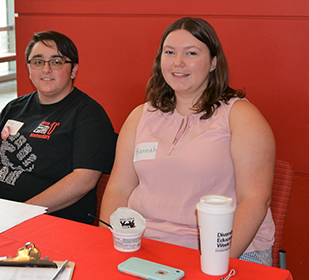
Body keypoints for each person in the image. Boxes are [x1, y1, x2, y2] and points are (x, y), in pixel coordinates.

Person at [99, 17, 275, 265]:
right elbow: (118, 191)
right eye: (169, 52)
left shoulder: (240, 116)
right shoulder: (140, 116)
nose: (178, 62)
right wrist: (113, 241)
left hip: (221, 251)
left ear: (214, 62)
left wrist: (215, 261)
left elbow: (255, 200)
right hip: (144, 245)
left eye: (191, 53)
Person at [0, 30, 117, 225]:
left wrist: (22, 212)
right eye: (38, 62)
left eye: (56, 62)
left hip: (51, 221)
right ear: (29, 69)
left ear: (73, 70)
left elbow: (84, 180)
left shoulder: (88, 115)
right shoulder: (14, 107)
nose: (46, 69)